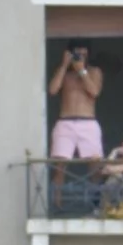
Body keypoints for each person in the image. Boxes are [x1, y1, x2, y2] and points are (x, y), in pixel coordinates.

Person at [47, 39, 104, 207]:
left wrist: (81, 70)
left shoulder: (94, 71)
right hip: (65, 121)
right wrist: (64, 65)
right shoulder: (64, 73)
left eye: (83, 54)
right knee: (59, 167)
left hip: (88, 122)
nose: (80, 57)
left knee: (95, 167)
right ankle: (56, 206)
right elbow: (52, 90)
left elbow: (94, 91)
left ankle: (96, 206)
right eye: (77, 54)